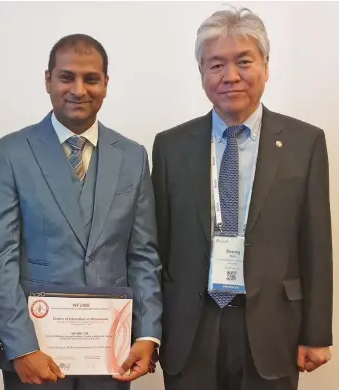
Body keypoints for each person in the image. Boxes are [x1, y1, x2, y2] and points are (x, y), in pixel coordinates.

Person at [152, 7, 333, 390]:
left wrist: (317, 332)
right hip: (191, 327)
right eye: (216, 64)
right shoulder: (170, 146)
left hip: (273, 328)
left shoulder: (305, 143)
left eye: (244, 61)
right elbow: (156, 247)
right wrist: (149, 331)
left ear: (266, 66)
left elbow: (316, 244)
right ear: (201, 71)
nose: (230, 76)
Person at [0, 34, 162, 390]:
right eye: (67, 77)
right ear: (48, 80)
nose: (79, 89)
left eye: (91, 78)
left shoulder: (133, 156)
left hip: (110, 354)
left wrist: (149, 334)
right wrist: (20, 345)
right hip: (36, 356)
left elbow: (143, 255)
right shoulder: (11, 154)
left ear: (106, 84)